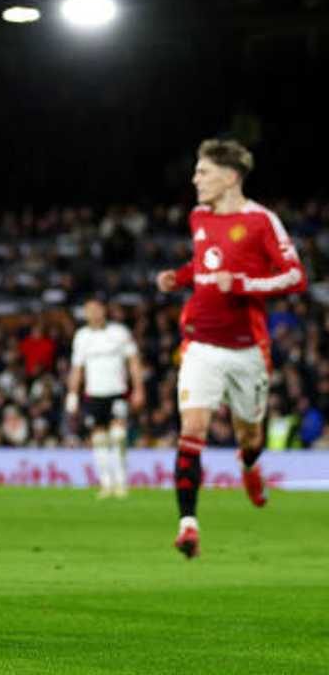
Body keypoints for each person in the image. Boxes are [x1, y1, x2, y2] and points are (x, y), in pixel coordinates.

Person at [156, 138, 306, 559]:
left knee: (250, 435)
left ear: (230, 176)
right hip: (201, 343)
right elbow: (205, 266)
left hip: (247, 350)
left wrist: (242, 284)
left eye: (203, 172)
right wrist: (181, 277)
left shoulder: (261, 221)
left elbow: (295, 276)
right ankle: (188, 526)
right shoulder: (198, 216)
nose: (195, 179)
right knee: (192, 432)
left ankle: (250, 465)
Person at [66, 298, 144, 498]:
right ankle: (106, 483)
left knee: (118, 436)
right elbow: (77, 369)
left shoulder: (119, 332)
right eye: (88, 310)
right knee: (99, 439)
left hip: (117, 392)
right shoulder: (81, 336)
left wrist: (138, 389)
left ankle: (121, 482)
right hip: (94, 394)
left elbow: (133, 362)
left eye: (96, 309)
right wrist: (72, 394)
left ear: (103, 311)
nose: (92, 313)